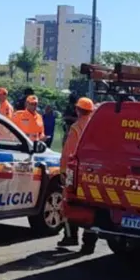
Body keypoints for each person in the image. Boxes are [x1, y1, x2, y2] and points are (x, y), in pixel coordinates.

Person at [57, 97, 97, 252]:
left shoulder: (76, 128)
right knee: (91, 206)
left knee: (70, 201)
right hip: (92, 171)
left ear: (77, 110)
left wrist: (63, 171)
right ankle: (89, 244)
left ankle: (71, 236)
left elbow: (68, 153)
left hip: (75, 172)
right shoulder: (97, 126)